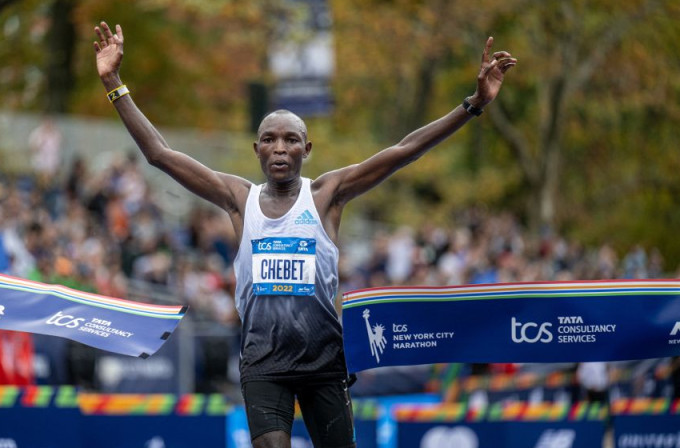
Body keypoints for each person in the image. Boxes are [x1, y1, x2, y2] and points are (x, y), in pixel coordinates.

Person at [94, 21, 516, 448]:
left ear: (306, 149)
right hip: (263, 363)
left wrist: (474, 104)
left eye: (291, 140)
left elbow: (404, 151)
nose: (280, 148)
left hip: (323, 363)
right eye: (270, 140)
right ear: (256, 149)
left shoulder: (327, 195)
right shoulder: (238, 199)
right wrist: (114, 82)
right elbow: (160, 154)